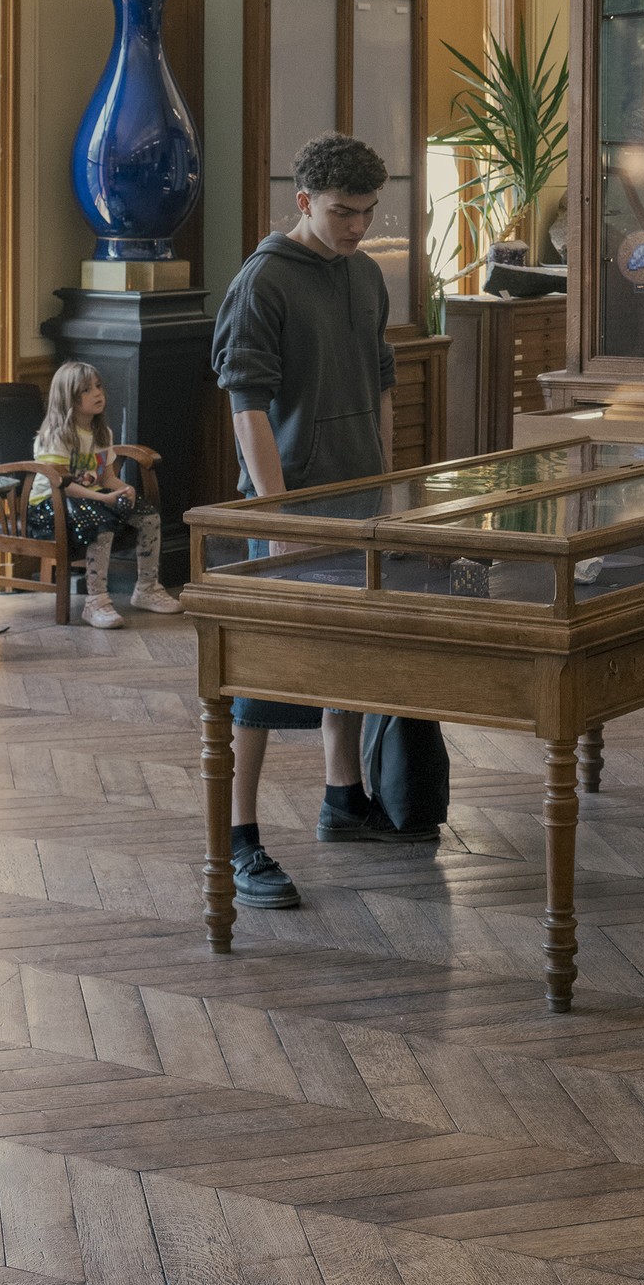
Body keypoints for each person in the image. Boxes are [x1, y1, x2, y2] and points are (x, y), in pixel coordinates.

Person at [211, 130, 428, 910]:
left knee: (346, 662)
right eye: (343, 212)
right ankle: (239, 841)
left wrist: (386, 482)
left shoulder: (368, 275)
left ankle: (345, 800)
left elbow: (381, 381)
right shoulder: (263, 282)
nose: (358, 227)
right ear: (303, 202)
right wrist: (278, 519)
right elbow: (247, 407)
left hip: (360, 504)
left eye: (368, 212)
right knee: (260, 685)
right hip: (286, 513)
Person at [26, 360, 181, 628]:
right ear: (69, 399)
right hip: (52, 505)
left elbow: (105, 476)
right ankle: (95, 601)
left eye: (98, 386)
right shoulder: (57, 435)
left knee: (148, 517)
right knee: (101, 521)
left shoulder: (101, 432)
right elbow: (62, 484)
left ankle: (146, 588)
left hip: (89, 498)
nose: (98, 393)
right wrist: (103, 499)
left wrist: (122, 489)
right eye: (87, 390)